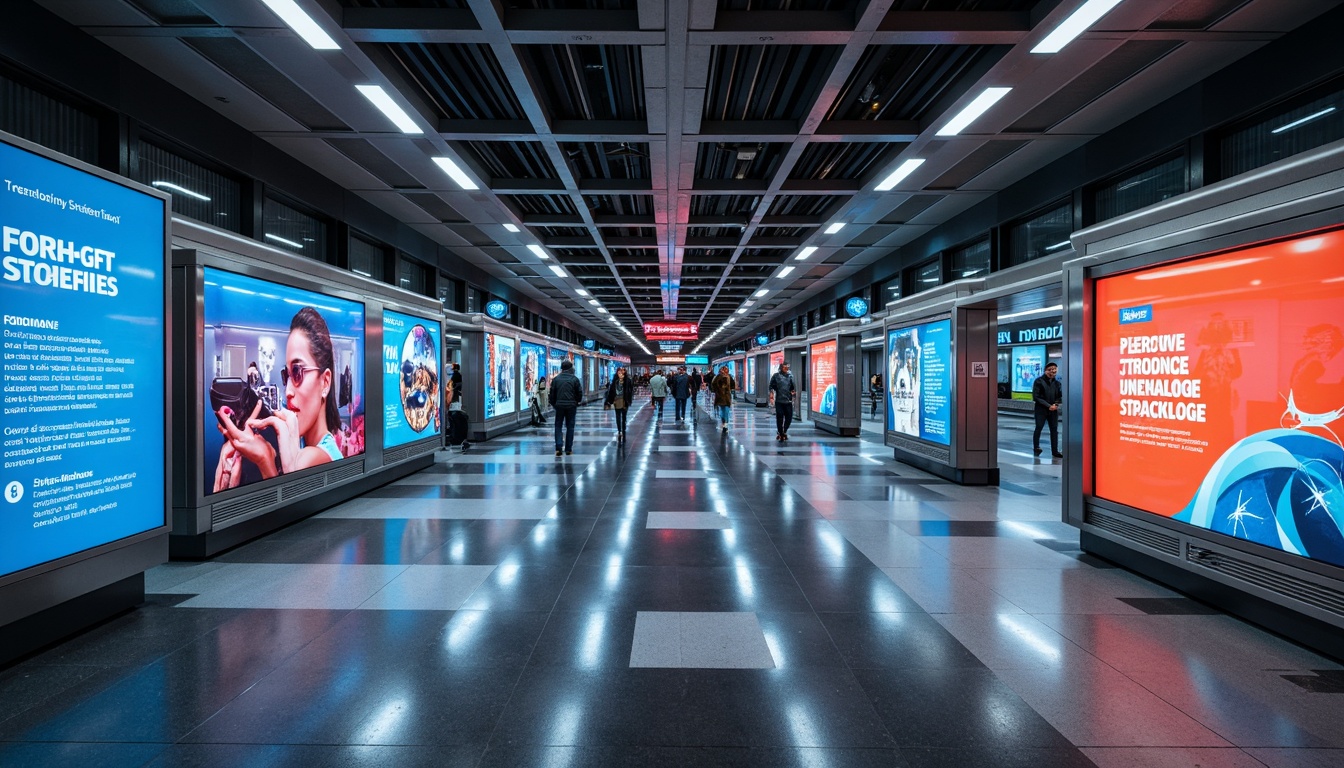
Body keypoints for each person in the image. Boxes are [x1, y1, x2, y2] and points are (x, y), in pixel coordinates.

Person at [214, 307, 342, 491]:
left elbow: (284, 507)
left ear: (325, 382)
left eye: (298, 372)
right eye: (286, 375)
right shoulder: (311, 445)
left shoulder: (312, 457)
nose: (288, 390)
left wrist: (265, 460)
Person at [551, 359, 584, 456]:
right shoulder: (575, 379)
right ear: (570, 369)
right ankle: (568, 449)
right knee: (570, 426)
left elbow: (552, 394)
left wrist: (554, 404)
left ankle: (558, 448)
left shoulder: (556, 379)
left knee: (558, 426)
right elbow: (579, 393)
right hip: (571, 406)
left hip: (559, 406)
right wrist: (576, 401)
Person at [1032, 361, 1063, 458]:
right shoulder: (1039, 381)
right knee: (1039, 427)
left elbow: (1060, 396)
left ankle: (1055, 451)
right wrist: (1048, 405)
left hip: (1053, 410)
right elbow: (1036, 397)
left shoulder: (1057, 383)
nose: (1052, 372)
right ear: (1045, 371)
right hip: (1041, 409)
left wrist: (1056, 404)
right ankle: (1036, 447)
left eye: (1054, 370)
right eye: (1050, 370)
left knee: (1054, 430)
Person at [768, 361, 797, 442]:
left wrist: (793, 392)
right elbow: (771, 386)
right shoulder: (776, 376)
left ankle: (784, 430)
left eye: (787, 367)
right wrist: (771, 394)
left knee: (789, 417)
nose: (786, 369)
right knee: (779, 417)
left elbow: (792, 387)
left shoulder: (790, 376)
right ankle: (781, 432)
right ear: (781, 367)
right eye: (785, 367)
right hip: (779, 401)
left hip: (788, 401)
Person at [605, 366, 635, 442]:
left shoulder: (628, 381)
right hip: (617, 400)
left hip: (624, 401)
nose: (620, 375)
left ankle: (623, 428)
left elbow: (630, 391)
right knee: (618, 416)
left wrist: (629, 399)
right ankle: (619, 430)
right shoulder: (615, 382)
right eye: (618, 373)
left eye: (621, 373)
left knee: (624, 416)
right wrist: (608, 401)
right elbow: (611, 392)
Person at [711, 365, 735, 433]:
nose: (725, 371)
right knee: (724, 411)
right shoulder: (724, 377)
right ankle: (725, 424)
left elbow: (713, 386)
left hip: (722, 397)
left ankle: (725, 424)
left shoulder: (719, 377)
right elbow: (733, 385)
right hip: (724, 397)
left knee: (724, 411)